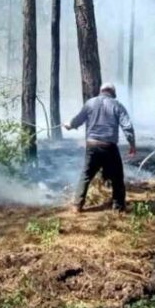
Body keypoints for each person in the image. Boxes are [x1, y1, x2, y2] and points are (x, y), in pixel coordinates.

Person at [63, 82, 136, 212]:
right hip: (109, 147)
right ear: (113, 93)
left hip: (92, 146)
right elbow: (128, 127)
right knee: (117, 177)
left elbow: (77, 120)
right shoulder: (117, 105)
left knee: (86, 175)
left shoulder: (90, 103)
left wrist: (69, 125)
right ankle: (118, 207)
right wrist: (132, 145)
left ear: (101, 91)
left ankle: (77, 205)